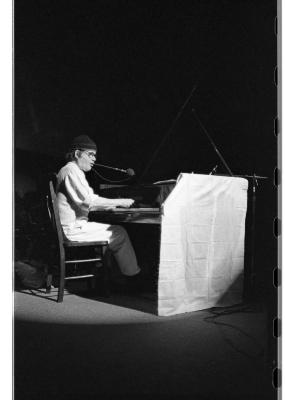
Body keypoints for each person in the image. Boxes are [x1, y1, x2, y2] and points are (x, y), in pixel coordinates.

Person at [56, 135, 142, 290]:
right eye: (90, 155)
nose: (94, 159)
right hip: (72, 229)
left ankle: (114, 276)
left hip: (72, 226)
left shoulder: (73, 171)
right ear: (77, 154)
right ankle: (133, 279)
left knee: (116, 232)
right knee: (119, 232)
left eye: (95, 155)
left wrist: (108, 206)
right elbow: (88, 200)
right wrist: (120, 202)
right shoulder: (70, 170)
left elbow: (85, 201)